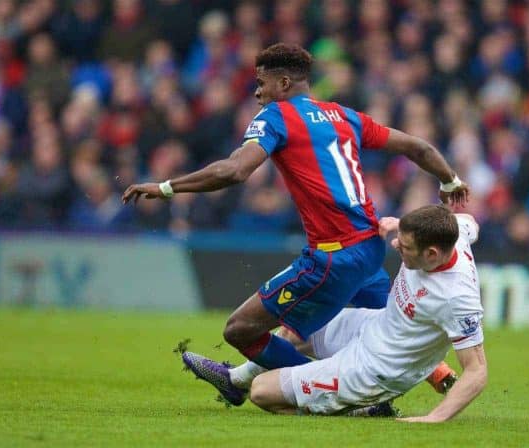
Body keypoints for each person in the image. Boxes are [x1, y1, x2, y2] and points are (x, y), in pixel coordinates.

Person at [122, 43, 469, 405]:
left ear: (284, 83)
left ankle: (332, 393)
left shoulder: (276, 117)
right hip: (368, 249)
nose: (257, 92)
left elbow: (236, 170)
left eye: (261, 83)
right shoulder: (343, 115)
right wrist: (450, 181)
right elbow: (419, 148)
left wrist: (167, 187)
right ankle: (239, 380)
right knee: (377, 326)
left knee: (241, 329)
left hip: (332, 258)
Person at [183, 205, 486, 420]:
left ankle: (359, 407)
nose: (395, 245)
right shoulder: (453, 233)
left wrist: (435, 418)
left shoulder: (456, 297)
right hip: (372, 327)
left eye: (404, 245)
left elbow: (477, 371)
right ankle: (235, 380)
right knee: (298, 325)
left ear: (432, 254)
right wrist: (399, 224)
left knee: (262, 392)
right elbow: (468, 219)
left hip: (376, 369)